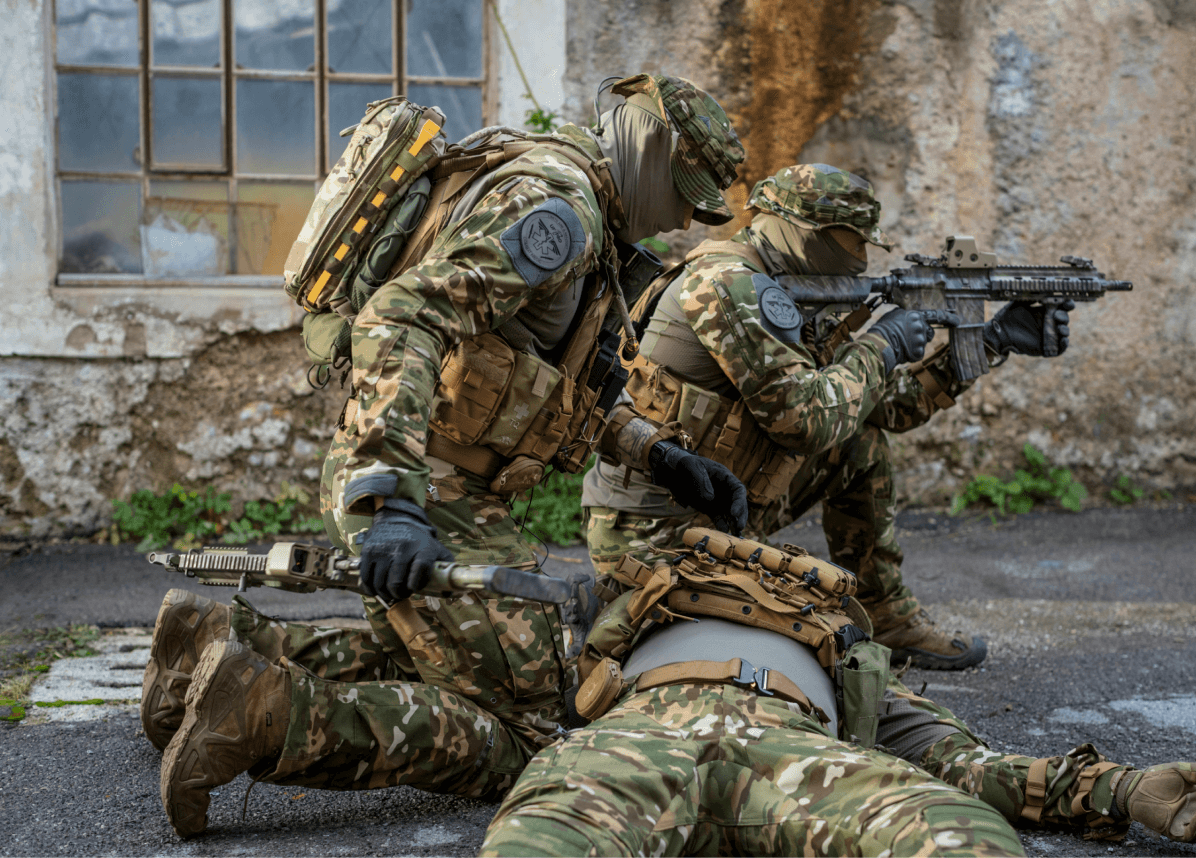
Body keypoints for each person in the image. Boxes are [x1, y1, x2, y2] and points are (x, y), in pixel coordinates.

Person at [143, 73, 756, 839]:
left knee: (439, 664)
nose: (683, 225)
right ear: (651, 154)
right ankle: (261, 718)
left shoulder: (585, 213)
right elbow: (402, 316)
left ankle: (210, 652)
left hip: (442, 485)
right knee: (533, 734)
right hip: (425, 488)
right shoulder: (555, 213)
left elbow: (551, 385)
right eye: (685, 198)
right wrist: (392, 498)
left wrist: (659, 453)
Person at [579, 163, 1076, 670]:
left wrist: (993, 340)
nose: (860, 259)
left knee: (861, 445)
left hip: (723, 505)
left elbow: (881, 407)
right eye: (853, 241)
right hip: (655, 532)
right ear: (807, 232)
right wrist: (881, 345)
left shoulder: (785, 286)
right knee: (824, 654)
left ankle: (888, 615)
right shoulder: (729, 284)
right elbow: (807, 421)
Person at [480, 529, 1196, 856]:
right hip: (636, 733)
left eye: (788, 568)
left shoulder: (859, 673)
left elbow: (971, 771)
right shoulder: (632, 618)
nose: (771, 569)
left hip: (797, 747)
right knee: (541, 841)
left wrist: (1124, 789)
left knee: (958, 834)